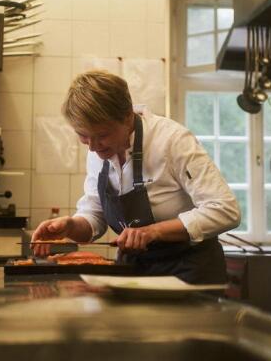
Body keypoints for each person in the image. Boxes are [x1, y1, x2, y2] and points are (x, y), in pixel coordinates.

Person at [31, 70, 241, 284]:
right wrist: (70, 226)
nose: (93, 147)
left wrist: (154, 232)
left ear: (127, 116)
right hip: (134, 271)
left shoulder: (172, 140)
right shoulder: (97, 151)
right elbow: (95, 216)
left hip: (188, 271)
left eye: (102, 135)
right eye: (83, 136)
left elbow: (225, 210)